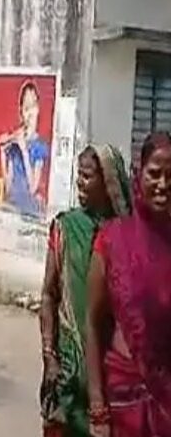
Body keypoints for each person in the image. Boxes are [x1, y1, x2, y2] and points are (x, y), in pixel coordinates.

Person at [39, 145, 131, 437]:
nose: (80, 182)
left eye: (88, 176)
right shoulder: (64, 228)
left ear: (108, 183)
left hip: (113, 370)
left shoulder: (127, 236)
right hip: (68, 369)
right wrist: (49, 356)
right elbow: (48, 295)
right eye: (79, 175)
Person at [85, 132, 171, 437]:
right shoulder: (112, 240)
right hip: (123, 402)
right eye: (155, 174)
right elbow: (93, 325)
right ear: (139, 175)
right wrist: (97, 406)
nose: (163, 184)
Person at [0, 80, 50, 217]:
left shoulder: (40, 146)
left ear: (38, 109)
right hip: (12, 208)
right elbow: (8, 187)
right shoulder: (14, 144)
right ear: (21, 112)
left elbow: (33, 188)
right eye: (26, 108)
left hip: (29, 212)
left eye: (33, 106)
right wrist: (3, 155)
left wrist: (25, 152)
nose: (30, 113)